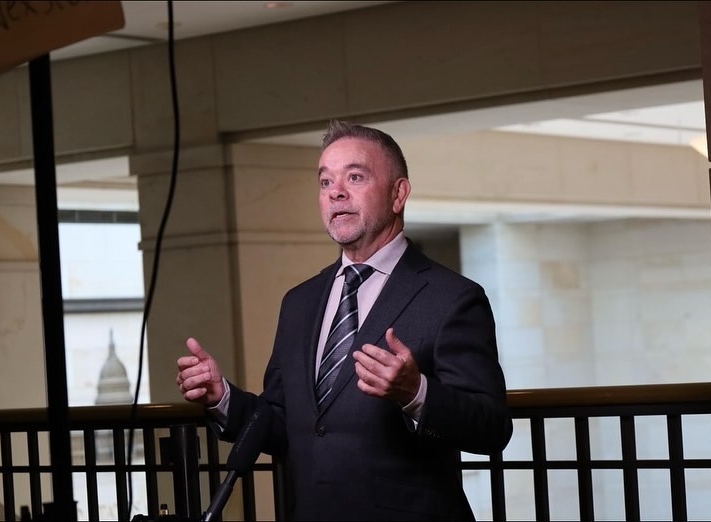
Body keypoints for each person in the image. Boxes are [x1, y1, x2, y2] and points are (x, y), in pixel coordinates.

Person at [176, 119, 512, 521]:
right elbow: (285, 424)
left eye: (355, 176)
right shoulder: (299, 302)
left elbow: (492, 428)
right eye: (325, 182)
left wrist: (415, 392)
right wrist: (221, 398)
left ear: (398, 194)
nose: (335, 192)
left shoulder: (452, 297)